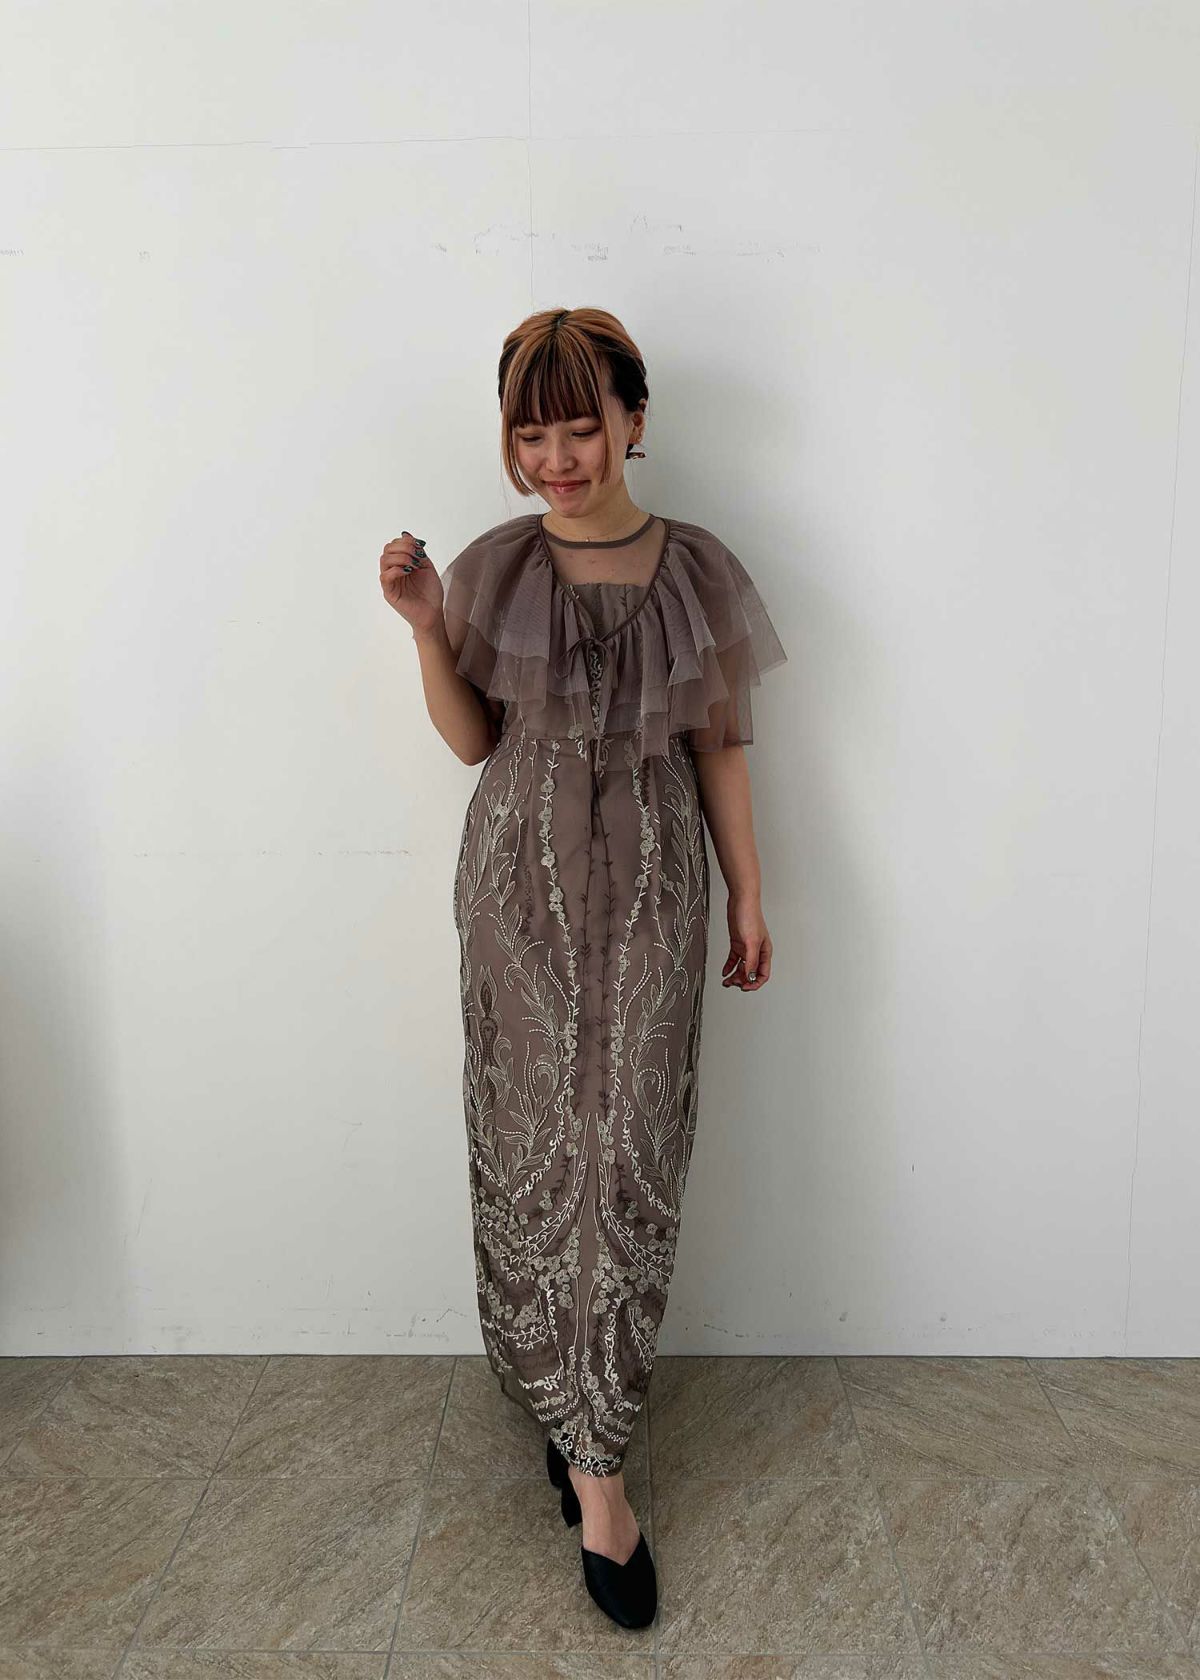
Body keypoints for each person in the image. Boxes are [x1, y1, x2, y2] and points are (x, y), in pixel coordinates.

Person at [378, 306, 788, 1630]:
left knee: (630, 1151)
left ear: (634, 422)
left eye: (580, 426)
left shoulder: (699, 568)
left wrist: (749, 890)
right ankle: (581, 1442)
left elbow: (720, 742)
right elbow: (472, 743)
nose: (556, 457)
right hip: (520, 886)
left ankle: (596, 1441)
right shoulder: (496, 565)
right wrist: (425, 627)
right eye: (531, 432)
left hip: (657, 885)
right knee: (538, 1146)